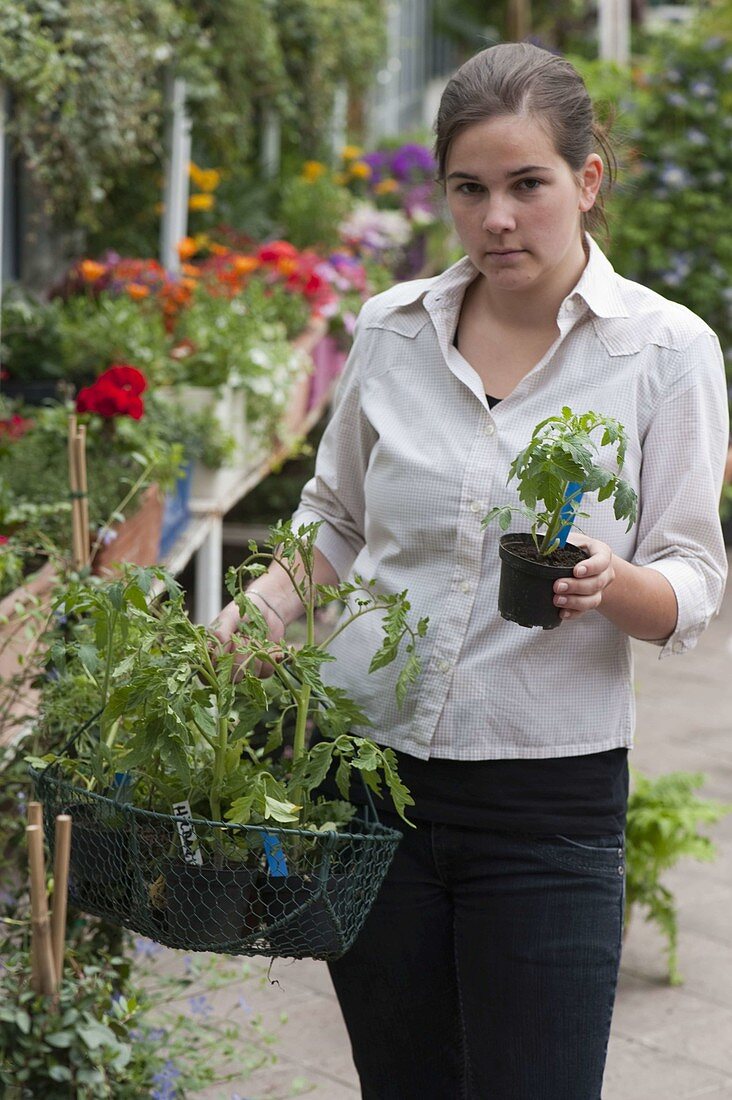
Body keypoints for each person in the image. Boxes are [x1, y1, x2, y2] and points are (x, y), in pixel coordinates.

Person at [214, 42, 729, 1100]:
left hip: (547, 804)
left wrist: (615, 581)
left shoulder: (664, 350)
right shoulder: (390, 331)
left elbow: (695, 575)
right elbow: (336, 519)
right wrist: (257, 611)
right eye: (470, 189)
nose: (498, 217)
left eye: (527, 184)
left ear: (587, 181)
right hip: (372, 791)